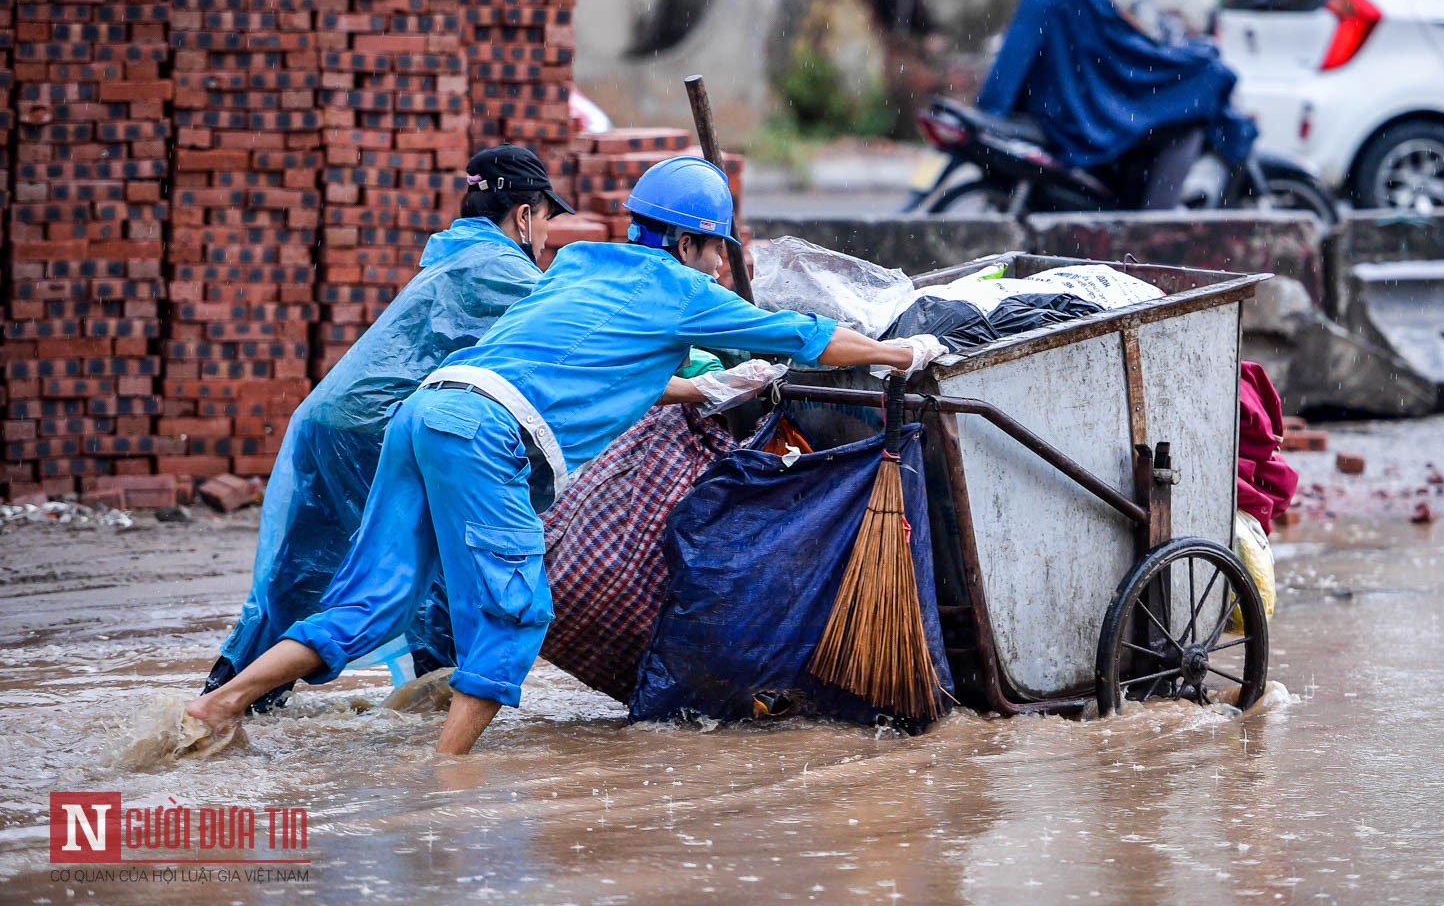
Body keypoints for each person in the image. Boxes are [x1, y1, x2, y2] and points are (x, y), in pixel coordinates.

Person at [185, 155, 948, 754]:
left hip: (428, 411)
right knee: (520, 612)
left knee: (368, 599)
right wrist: (900, 352)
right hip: (484, 436)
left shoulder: (583, 267)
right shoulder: (684, 291)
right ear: (686, 242)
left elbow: (594, 368)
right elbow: (805, 336)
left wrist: (702, 390)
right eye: (715, 249)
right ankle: (444, 780)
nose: (720, 265)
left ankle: (216, 705)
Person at [203, 145, 574, 708]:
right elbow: (586, 332)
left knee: (302, 573)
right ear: (524, 215)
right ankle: (432, 717)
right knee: (430, 570)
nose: (547, 234)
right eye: (547, 218)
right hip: (376, 431)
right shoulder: (500, 267)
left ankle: (226, 701)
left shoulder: (459, 255)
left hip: (328, 422)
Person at [975, 0, 1250, 210]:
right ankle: (1155, 224)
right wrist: (1195, 61)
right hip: (1070, 115)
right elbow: (1127, 53)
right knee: (1187, 110)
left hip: (1052, 106)